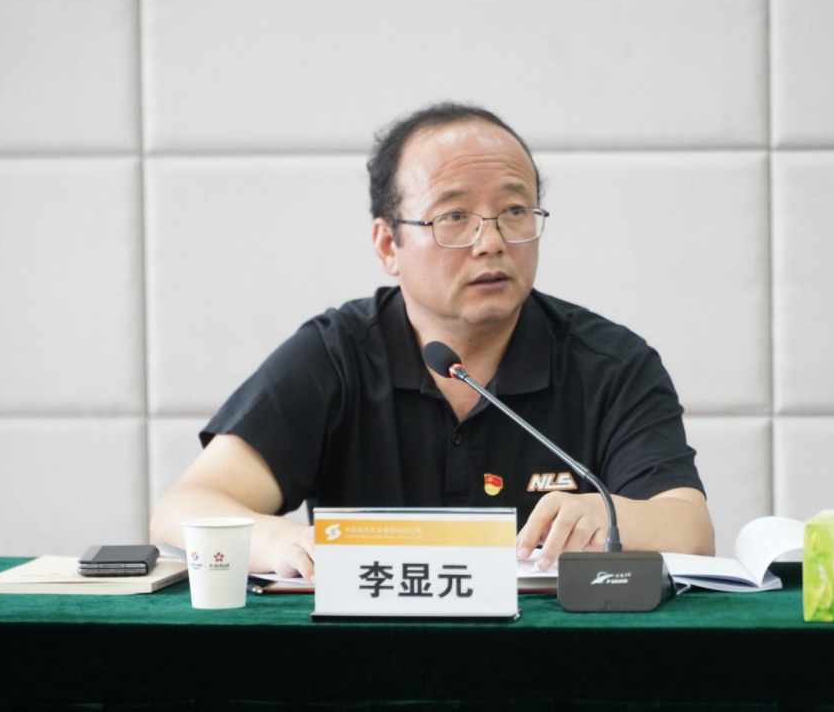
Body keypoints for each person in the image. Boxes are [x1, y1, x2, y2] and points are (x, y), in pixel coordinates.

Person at [150, 103, 714, 582]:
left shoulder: (610, 364)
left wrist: (610, 517)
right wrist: (280, 541)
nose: (491, 241)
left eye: (515, 211)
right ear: (387, 244)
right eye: (454, 216)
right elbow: (183, 509)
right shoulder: (335, 356)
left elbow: (690, 529)